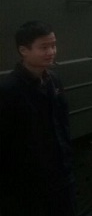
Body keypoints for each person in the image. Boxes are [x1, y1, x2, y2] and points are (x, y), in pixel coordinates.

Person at [0, 21, 76, 216]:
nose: (51, 51)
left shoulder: (54, 81)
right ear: (24, 50)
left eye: (53, 45)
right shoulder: (9, 90)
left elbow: (63, 125)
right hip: (29, 186)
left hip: (61, 177)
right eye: (44, 47)